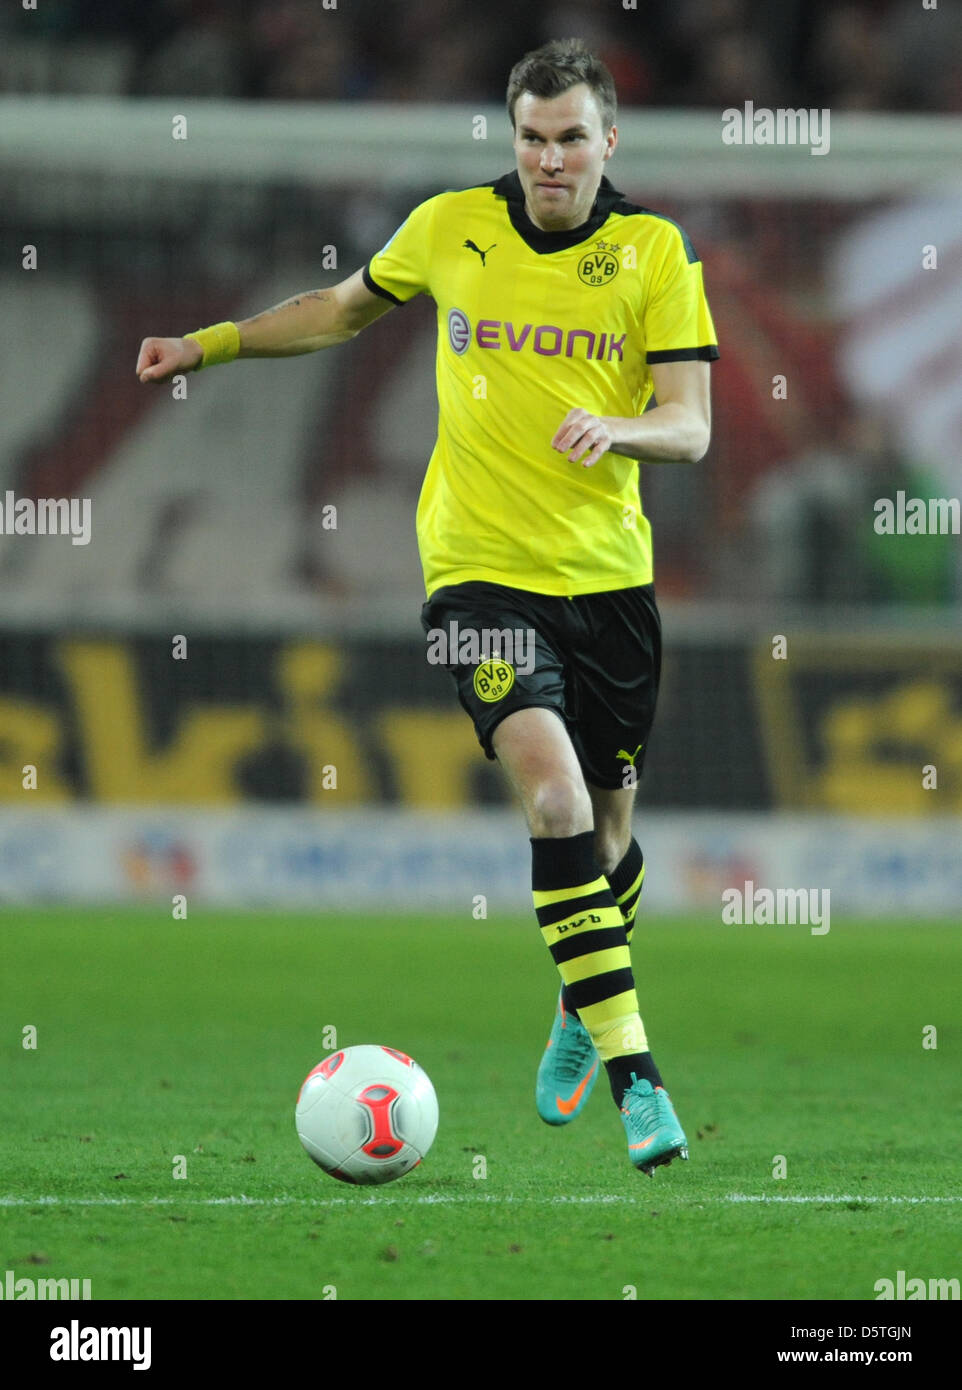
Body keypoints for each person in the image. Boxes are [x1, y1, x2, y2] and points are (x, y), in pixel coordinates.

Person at [136, 37, 719, 1175]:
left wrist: (623, 429)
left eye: (569, 139)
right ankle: (634, 1076)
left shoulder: (654, 253)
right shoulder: (451, 225)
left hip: (608, 583)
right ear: (512, 141)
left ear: (609, 139)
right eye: (529, 140)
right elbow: (340, 310)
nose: (548, 160)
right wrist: (208, 344)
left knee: (606, 835)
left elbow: (690, 424)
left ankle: (577, 995)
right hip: (474, 575)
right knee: (552, 802)